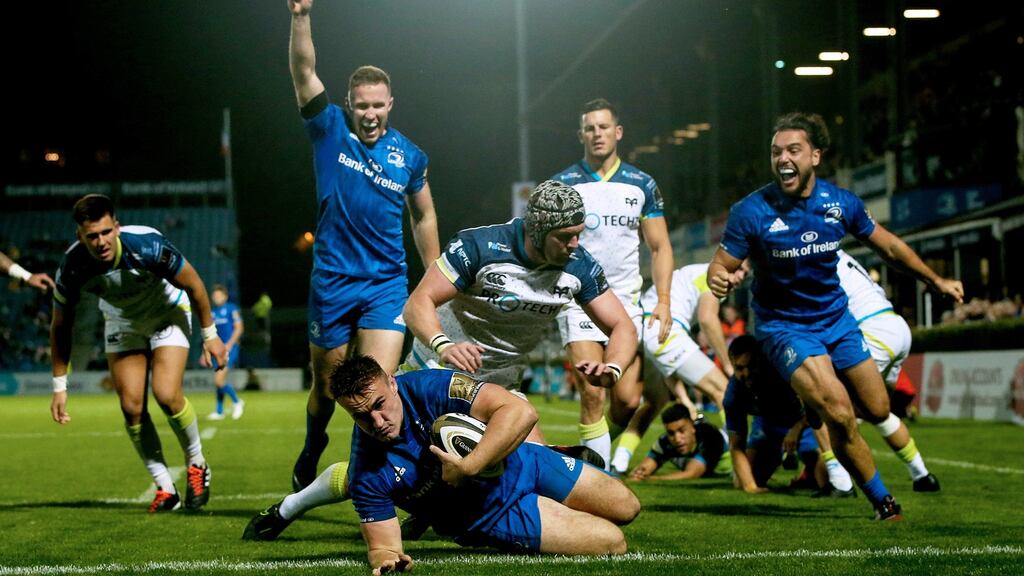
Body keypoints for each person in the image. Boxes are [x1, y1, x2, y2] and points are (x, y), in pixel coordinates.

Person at [708, 112, 963, 520]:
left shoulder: (840, 203)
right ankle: (884, 501)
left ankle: (817, 403)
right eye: (776, 152)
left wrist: (934, 279)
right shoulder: (750, 211)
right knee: (841, 414)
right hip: (784, 328)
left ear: (815, 156)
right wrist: (720, 278)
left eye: (793, 150)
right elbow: (720, 264)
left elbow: (891, 248)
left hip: (838, 321)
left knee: (878, 409)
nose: (783, 159)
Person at [244, 355, 640, 570]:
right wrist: (386, 560)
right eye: (362, 416)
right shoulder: (366, 471)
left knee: (628, 507)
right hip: (490, 513)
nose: (377, 422)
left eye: (381, 405)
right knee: (612, 543)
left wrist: (470, 465)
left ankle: (552, 466)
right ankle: (520, 529)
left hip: (524, 460)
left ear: (393, 382)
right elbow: (382, 546)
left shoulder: (431, 385)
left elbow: (520, 412)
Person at [287, 0, 440, 491]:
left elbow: (425, 213)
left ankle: (386, 487)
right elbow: (304, 69)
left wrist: (434, 275)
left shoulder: (410, 155)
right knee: (329, 389)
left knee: (375, 390)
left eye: (378, 105)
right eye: (362, 105)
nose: (370, 114)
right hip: (332, 282)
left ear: (390, 104)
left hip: (385, 286)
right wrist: (300, 16)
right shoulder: (328, 129)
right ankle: (313, 446)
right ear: (349, 104)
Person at [402, 180, 637, 442]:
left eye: (578, 234)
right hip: (439, 370)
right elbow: (418, 302)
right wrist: (444, 345)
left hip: (501, 385)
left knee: (540, 470)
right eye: (564, 236)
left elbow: (622, 326)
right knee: (415, 471)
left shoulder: (579, 266)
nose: (574, 244)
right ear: (536, 230)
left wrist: (613, 367)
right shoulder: (478, 247)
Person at [49, 194, 227, 512]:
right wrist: (59, 386)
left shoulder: (147, 245)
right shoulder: (72, 267)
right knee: (131, 406)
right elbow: (60, 326)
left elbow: (195, 284)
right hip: (123, 322)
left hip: (167, 313)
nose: (101, 241)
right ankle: (165, 489)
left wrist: (210, 335)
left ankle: (197, 463)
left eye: (106, 232)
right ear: (80, 236)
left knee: (166, 393)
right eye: (92, 236)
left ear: (116, 227)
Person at [552, 98, 675, 469]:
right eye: (590, 128)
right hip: (577, 301)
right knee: (592, 394)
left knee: (627, 401)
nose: (597, 134)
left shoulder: (641, 185)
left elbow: (660, 245)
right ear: (581, 135)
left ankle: (589, 459)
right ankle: (596, 480)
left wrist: (664, 300)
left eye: (604, 127)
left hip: (624, 303)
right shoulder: (564, 184)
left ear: (617, 132)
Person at [608, 263, 741, 474]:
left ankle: (617, 461)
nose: (740, 277)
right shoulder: (715, 274)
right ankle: (737, 463)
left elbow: (668, 367)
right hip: (664, 328)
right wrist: (727, 364)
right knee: (725, 392)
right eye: (739, 270)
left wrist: (685, 400)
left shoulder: (692, 275)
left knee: (654, 402)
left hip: (642, 329)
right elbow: (707, 319)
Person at [835, 249, 938, 490]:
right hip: (896, 325)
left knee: (833, 406)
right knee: (878, 412)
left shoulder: (813, 255)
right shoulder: (840, 252)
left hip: (871, 330)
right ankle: (922, 475)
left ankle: (838, 482)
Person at [724, 336, 853, 496]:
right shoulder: (733, 395)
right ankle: (792, 464)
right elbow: (736, 446)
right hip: (768, 427)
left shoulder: (785, 372)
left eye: (751, 365)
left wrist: (797, 429)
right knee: (743, 480)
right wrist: (751, 487)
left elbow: (818, 406)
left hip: (806, 424)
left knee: (825, 479)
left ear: (761, 359)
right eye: (740, 368)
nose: (747, 373)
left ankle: (812, 469)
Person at [628, 403, 727, 481]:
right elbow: (645, 468)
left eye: (682, 431)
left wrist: (653, 479)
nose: (677, 438)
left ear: (693, 427)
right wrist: (638, 474)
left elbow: (692, 473)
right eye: (671, 433)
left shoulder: (710, 437)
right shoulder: (665, 441)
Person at [204, 284, 245, 420]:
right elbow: (210, 335)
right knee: (219, 380)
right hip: (218, 350)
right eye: (215, 296)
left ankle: (237, 402)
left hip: (230, 349)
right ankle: (219, 411)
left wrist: (229, 344)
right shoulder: (212, 313)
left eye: (219, 295)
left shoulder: (232, 309)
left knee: (219, 380)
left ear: (225, 297)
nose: (217, 298)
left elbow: (239, 328)